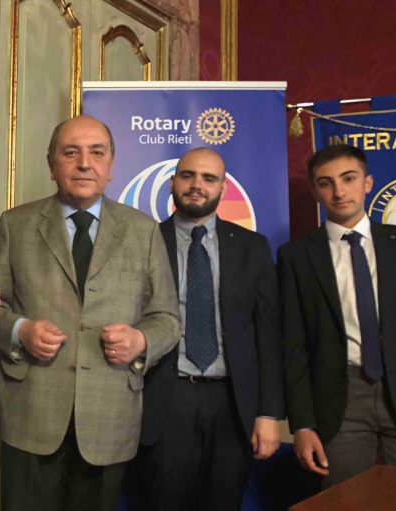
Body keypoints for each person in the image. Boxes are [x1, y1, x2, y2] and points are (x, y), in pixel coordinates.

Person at [0, 115, 181, 511]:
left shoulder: (144, 231)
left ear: (111, 165)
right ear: (51, 164)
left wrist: (140, 340)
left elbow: (168, 318)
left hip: (109, 416)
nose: (84, 164)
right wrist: (21, 330)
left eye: (97, 153)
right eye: (70, 152)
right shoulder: (15, 225)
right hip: (32, 413)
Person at [127, 147, 284, 510]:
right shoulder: (142, 242)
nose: (197, 185)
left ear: (223, 188)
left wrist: (269, 412)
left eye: (209, 178)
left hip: (232, 403)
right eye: (188, 176)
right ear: (172, 183)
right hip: (165, 398)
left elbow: (268, 335)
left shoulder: (252, 247)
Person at [278, 144, 396, 488]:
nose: (339, 191)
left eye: (348, 179)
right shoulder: (296, 256)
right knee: (345, 500)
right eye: (326, 183)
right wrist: (302, 424)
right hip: (340, 398)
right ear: (315, 191)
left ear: (368, 183)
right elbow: (293, 346)